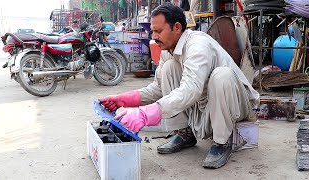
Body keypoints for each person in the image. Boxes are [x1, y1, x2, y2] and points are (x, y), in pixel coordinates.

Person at [99, 3, 259, 169]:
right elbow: (158, 89)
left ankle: (222, 142)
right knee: (169, 68)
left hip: (236, 106)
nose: (153, 37)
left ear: (176, 27)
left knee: (221, 76)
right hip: (207, 105)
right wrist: (122, 100)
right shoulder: (166, 51)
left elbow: (191, 89)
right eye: (152, 31)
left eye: (158, 31)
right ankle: (184, 133)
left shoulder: (198, 44)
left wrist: (145, 115)